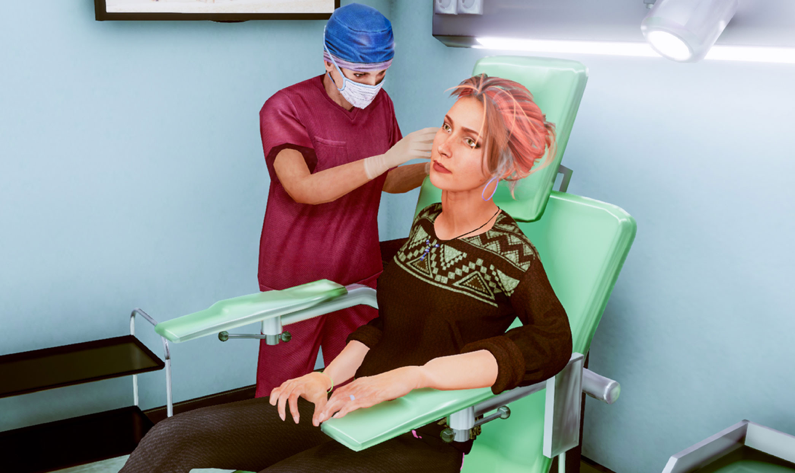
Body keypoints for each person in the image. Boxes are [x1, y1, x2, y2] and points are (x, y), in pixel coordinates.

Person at [120, 74, 572, 473]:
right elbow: (383, 326)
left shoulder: (508, 253)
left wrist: (417, 375)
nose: (445, 146)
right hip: (346, 405)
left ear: (502, 163)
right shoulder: (425, 223)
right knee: (172, 438)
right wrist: (326, 377)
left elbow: (552, 341)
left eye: (470, 141)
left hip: (415, 440)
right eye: (448, 128)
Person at [255, 3, 438, 398]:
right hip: (295, 273)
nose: (371, 86)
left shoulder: (381, 104)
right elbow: (302, 187)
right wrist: (388, 157)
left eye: (380, 75)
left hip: (358, 268)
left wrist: (432, 169)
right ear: (329, 63)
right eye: (359, 75)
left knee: (353, 381)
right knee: (282, 387)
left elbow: (388, 181)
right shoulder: (285, 107)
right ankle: (269, 458)